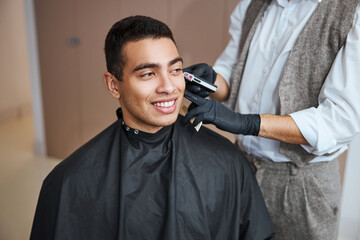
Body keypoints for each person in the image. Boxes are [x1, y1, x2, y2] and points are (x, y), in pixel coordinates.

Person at [30, 16, 274, 240]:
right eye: (148, 74)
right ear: (114, 85)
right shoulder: (68, 183)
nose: (169, 86)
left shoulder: (228, 161)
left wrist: (249, 123)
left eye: (175, 70)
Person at [183, 0, 360, 239]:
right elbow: (232, 73)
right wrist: (211, 80)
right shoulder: (251, 4)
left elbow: (340, 120)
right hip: (242, 169)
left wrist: (248, 123)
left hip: (302, 186)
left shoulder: (351, 11)